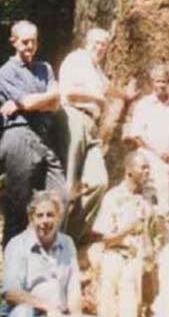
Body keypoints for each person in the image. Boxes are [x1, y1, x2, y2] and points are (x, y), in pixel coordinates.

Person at [58, 27, 138, 240]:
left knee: (99, 181)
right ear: (86, 43)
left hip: (92, 126)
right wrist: (97, 98)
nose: (100, 48)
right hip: (74, 118)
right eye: (96, 43)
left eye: (104, 45)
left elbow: (109, 87)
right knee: (69, 182)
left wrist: (125, 96)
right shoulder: (75, 60)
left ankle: (72, 236)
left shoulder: (95, 69)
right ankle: (55, 241)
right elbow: (67, 92)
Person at [0, 20, 66, 248]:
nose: (30, 46)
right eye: (25, 42)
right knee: (18, 205)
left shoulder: (44, 68)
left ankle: (49, 253)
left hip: (44, 137)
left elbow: (55, 102)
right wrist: (35, 101)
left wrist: (28, 103)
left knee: (59, 197)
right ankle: (12, 263)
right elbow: (30, 102)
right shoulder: (7, 72)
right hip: (19, 136)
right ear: (13, 42)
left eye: (34, 42)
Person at [87, 151, 155, 317]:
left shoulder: (147, 199)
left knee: (130, 302)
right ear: (129, 171)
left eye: (148, 168)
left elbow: (152, 234)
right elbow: (105, 239)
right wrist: (128, 228)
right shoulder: (113, 197)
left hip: (136, 258)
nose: (147, 172)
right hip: (113, 253)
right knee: (107, 300)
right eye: (143, 168)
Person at [124, 64, 169, 238]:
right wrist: (158, 153)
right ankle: (150, 240)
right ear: (152, 83)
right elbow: (137, 135)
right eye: (157, 81)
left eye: (164, 81)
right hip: (151, 162)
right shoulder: (144, 105)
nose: (161, 85)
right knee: (152, 203)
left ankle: (168, 242)